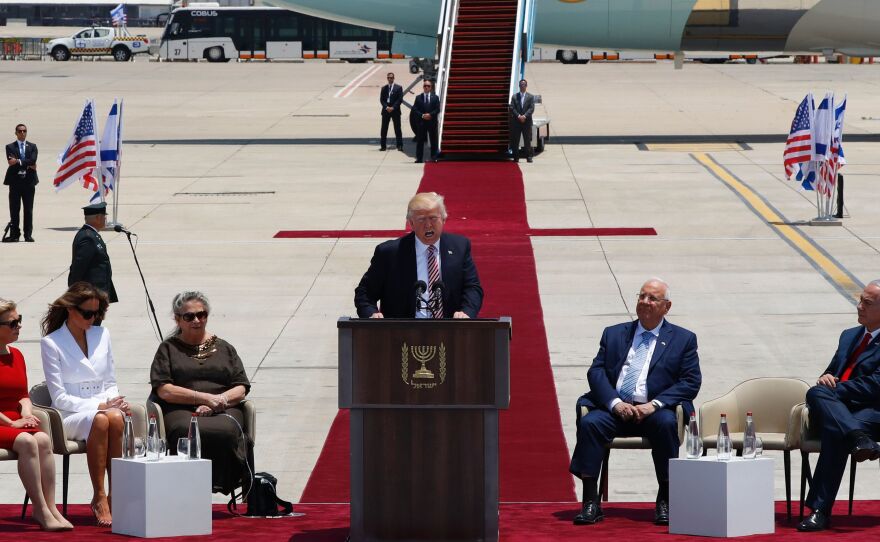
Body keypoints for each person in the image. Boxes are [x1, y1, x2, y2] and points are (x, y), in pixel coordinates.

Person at [569, 278, 701, 526]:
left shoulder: (683, 339)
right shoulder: (614, 333)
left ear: (666, 306)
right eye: (641, 296)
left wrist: (656, 404)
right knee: (590, 424)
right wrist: (615, 403)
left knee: (665, 424)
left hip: (653, 411)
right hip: (616, 410)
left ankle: (666, 500)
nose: (645, 302)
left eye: (652, 298)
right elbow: (595, 373)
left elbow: (690, 382)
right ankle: (590, 502)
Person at [40, 282, 128, 527]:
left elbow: (110, 380)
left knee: (115, 417)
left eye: (97, 313)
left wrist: (114, 402)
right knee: (101, 418)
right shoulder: (52, 343)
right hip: (69, 415)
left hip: (104, 407)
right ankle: (99, 496)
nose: (93, 319)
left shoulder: (102, 335)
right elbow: (59, 398)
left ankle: (115, 494)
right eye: (87, 313)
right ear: (70, 309)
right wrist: (100, 405)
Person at [150, 291, 252, 495]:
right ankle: (184, 489)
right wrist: (205, 398)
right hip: (181, 408)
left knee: (227, 431)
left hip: (224, 407)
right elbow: (164, 389)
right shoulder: (168, 349)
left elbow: (241, 386)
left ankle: (226, 481)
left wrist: (219, 401)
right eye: (189, 316)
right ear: (177, 319)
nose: (196, 320)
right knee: (185, 431)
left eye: (202, 314)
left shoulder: (225, 348)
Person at [798, 280, 880, 532]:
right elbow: (832, 372)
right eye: (859, 300)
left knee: (836, 432)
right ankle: (858, 437)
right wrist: (827, 379)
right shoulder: (849, 336)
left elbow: (876, 385)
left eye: (867, 303)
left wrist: (835, 388)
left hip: (871, 411)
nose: (859, 306)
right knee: (815, 392)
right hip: (840, 409)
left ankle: (820, 511)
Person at [0, 299, 73, 531]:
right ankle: (40, 509)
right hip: (4, 422)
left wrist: (27, 413)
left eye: (18, 320)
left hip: (15, 419)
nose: (18, 326)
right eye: (12, 323)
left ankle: (51, 508)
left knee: (42, 439)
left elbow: (23, 394)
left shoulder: (17, 355)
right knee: (26, 441)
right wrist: (12, 422)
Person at [354, 192, 483, 319]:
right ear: (411, 223)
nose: (428, 225)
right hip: (402, 333)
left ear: (443, 219)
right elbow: (364, 293)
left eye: (433, 218)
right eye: (421, 219)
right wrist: (371, 315)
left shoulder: (459, 247)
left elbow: (472, 287)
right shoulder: (389, 253)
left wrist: (466, 313)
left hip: (449, 331)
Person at [68, 202, 118, 305]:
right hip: (91, 293)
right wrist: (74, 292)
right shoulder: (87, 237)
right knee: (92, 321)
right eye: (104, 217)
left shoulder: (92, 235)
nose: (105, 220)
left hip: (97, 292)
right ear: (98, 217)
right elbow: (79, 267)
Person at [3, 123, 38, 243]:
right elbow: (10, 162)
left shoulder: (32, 146)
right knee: (14, 209)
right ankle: (15, 235)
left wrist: (17, 161)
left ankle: (28, 235)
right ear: (16, 133)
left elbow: (33, 160)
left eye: (24, 131)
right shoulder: (10, 147)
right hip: (15, 182)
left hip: (29, 182)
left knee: (28, 209)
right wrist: (27, 164)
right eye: (19, 131)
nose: (22, 133)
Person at [412, 79, 440, 163]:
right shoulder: (418, 98)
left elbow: (437, 109)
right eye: (425, 86)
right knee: (420, 141)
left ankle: (434, 157)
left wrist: (430, 115)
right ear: (423, 87)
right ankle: (419, 158)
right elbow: (415, 109)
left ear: (431, 88)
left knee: (433, 141)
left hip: (431, 122)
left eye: (428, 86)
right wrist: (422, 115)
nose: (426, 87)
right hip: (422, 123)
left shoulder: (435, 98)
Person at [509, 79, 535, 163]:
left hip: (526, 122)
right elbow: (512, 108)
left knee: (527, 140)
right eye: (521, 85)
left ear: (526, 86)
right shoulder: (514, 96)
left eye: (524, 85)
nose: (522, 86)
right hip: (516, 122)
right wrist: (519, 116)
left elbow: (531, 108)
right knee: (515, 140)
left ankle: (529, 156)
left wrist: (524, 116)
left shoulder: (530, 97)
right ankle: (516, 157)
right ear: (519, 86)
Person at [379, 72, 404, 151]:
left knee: (397, 129)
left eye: (391, 78)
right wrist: (386, 107)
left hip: (395, 111)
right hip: (386, 111)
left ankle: (399, 145)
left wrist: (393, 107)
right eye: (388, 78)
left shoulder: (398, 88)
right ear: (387, 78)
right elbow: (381, 100)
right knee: (384, 129)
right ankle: (383, 146)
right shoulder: (384, 88)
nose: (390, 79)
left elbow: (400, 100)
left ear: (393, 78)